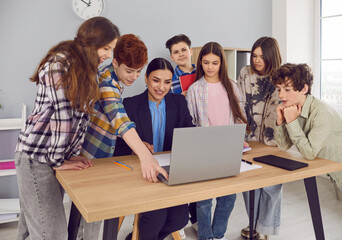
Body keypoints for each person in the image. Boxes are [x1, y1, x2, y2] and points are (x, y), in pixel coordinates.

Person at [14, 17, 119, 240]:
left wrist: (68, 157)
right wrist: (59, 160)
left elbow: (80, 120)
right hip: (36, 158)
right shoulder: (58, 64)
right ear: (91, 42)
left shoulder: (86, 68)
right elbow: (63, 118)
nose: (109, 55)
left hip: (51, 156)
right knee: (51, 234)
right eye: (106, 48)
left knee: (32, 229)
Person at [78, 34, 169, 240]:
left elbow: (109, 124)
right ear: (115, 61)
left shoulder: (116, 80)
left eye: (138, 71)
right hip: (89, 156)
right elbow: (119, 119)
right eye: (129, 70)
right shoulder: (106, 81)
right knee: (93, 218)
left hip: (100, 155)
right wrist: (146, 158)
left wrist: (139, 145)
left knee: (92, 216)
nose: (134, 76)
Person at [114, 58, 194, 240]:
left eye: (167, 82)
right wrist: (135, 148)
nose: (161, 87)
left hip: (168, 173)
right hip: (141, 175)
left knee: (181, 218)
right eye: (156, 80)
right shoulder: (130, 105)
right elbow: (116, 148)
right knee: (155, 217)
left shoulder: (179, 103)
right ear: (146, 79)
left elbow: (190, 134)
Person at [186, 42, 248, 240]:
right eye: (206, 62)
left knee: (228, 197)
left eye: (215, 62)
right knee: (204, 199)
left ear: (222, 63)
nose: (210, 67)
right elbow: (191, 120)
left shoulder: (233, 86)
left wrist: (241, 138)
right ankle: (206, 236)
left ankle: (218, 234)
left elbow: (240, 117)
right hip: (204, 150)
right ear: (200, 63)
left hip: (229, 149)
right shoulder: (195, 89)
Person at [237, 36, 282, 240]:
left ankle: (266, 229)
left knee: (271, 186)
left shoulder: (281, 76)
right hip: (248, 140)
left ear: (271, 57)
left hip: (273, 140)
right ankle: (254, 224)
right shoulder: (245, 73)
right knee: (249, 185)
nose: (256, 60)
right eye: (254, 56)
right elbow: (238, 102)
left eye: (262, 57)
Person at [272, 63, 342, 192]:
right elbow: (283, 146)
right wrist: (281, 122)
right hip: (335, 174)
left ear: (304, 89)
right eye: (279, 89)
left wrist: (292, 121)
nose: (281, 95)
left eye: (287, 90)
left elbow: (309, 153)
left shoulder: (322, 113)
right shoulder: (293, 108)